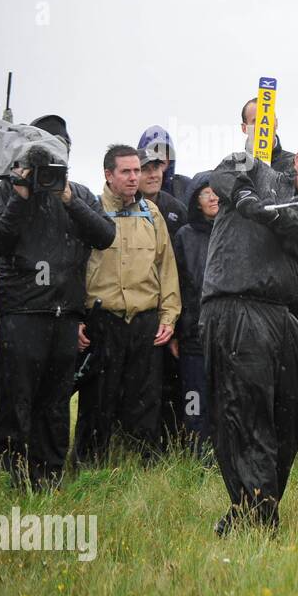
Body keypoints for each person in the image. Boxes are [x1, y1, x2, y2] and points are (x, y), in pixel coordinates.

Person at [202, 137, 298, 534]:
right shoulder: (257, 171)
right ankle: (257, 518)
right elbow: (223, 172)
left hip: (281, 315)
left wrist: (266, 213)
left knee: (292, 414)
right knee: (245, 414)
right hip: (234, 305)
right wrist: (247, 195)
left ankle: (254, 506)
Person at [0, 123, 115, 490]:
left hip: (64, 318)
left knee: (56, 405)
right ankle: (9, 475)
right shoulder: (8, 191)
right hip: (21, 316)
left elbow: (105, 235)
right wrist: (20, 194)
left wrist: (68, 198)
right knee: (15, 402)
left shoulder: (76, 193)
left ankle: (48, 476)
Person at [74, 145, 181, 465]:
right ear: (108, 174)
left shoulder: (152, 212)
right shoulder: (88, 210)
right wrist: (75, 319)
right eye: (127, 171)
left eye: (137, 171)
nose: (135, 177)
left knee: (145, 399)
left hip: (146, 321)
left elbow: (167, 266)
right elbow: (73, 267)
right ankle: (89, 465)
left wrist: (170, 316)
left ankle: (143, 466)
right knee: (97, 400)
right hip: (103, 321)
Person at [138, 147, 189, 442]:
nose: (153, 173)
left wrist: (177, 324)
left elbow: (180, 269)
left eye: (157, 167)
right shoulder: (118, 208)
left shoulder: (175, 208)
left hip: (168, 311)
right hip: (133, 308)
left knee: (169, 382)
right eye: (146, 168)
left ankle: (168, 442)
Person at [171, 173, 217, 453]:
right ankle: (197, 451)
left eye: (217, 192)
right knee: (194, 397)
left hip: (227, 332)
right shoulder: (184, 236)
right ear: (196, 201)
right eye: (206, 194)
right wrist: (177, 329)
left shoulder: (234, 229)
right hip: (192, 332)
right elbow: (176, 284)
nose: (213, 198)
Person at [138, 125, 195, 205]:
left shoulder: (185, 185)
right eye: (155, 150)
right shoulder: (130, 188)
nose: (160, 156)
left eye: (164, 151)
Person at [241, 97, 296, 176]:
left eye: (268, 119)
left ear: (276, 123)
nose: (263, 125)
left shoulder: (295, 165)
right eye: (256, 121)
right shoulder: (232, 168)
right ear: (244, 128)